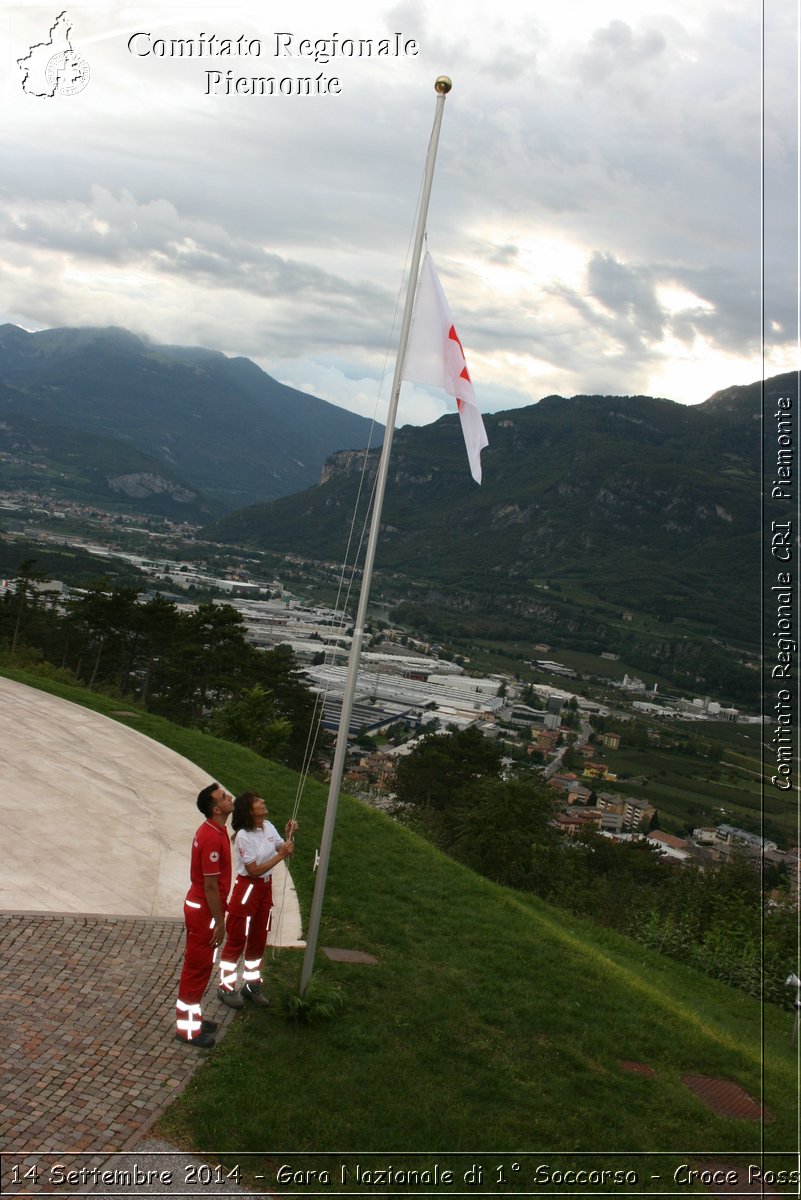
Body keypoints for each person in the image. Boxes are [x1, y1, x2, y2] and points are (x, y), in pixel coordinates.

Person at [217, 792, 297, 1009]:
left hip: (264, 889)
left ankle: (252, 985)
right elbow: (252, 870)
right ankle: (226, 986)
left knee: (258, 939)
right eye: (258, 801)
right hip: (247, 889)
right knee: (236, 940)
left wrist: (289, 837)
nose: (263, 802)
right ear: (250, 811)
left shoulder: (269, 826)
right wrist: (281, 856)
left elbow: (284, 849)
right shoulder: (243, 835)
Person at [174, 782, 234, 1048]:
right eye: (224, 796)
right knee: (197, 967)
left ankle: (193, 1018)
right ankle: (187, 1029)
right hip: (205, 911)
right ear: (216, 808)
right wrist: (220, 922)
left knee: (201, 965)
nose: (229, 797)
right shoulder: (211, 836)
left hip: (205, 908)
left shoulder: (216, 831)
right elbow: (210, 885)